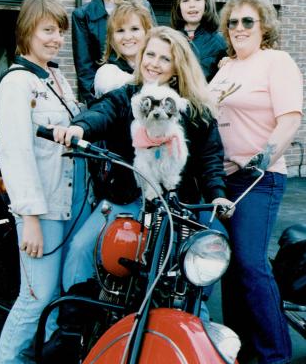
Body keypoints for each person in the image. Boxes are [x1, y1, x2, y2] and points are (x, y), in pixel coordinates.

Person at [51, 26, 234, 295]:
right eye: (150, 55)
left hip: (174, 204)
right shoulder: (127, 96)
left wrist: (217, 194)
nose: (154, 64)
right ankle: (73, 325)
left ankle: (190, 323)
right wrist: (80, 128)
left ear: (177, 66)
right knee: (80, 249)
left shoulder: (194, 109)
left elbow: (210, 158)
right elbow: (104, 111)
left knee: (187, 274)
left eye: (164, 58)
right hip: (126, 199)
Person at [0, 0, 91, 364]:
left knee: (58, 296)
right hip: (41, 211)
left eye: (60, 31)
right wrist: (28, 216)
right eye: (48, 29)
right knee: (34, 298)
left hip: (69, 206)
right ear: (27, 31)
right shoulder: (16, 85)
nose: (56, 38)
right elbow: (15, 155)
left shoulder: (55, 80)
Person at [209, 0, 303, 364]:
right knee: (228, 264)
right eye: (233, 22)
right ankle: (242, 342)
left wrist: (257, 162)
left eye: (248, 21)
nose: (239, 28)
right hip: (223, 178)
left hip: (259, 178)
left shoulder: (275, 61)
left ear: (263, 26)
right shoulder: (225, 67)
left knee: (250, 262)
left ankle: (276, 353)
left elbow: (290, 119)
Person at [72, 0, 156, 105]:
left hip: (145, 90)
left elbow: (155, 48)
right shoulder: (82, 15)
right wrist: (100, 106)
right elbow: (85, 72)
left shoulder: (143, 6)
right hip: (108, 97)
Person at [93, 0, 154, 98]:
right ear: (112, 38)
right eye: (120, 30)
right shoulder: (108, 75)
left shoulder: (158, 68)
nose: (127, 37)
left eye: (134, 29)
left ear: (147, 32)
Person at [171, 0, 227, 82]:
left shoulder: (220, 42)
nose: (192, 5)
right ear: (178, 6)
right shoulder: (170, 39)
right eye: (185, 0)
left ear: (206, 3)